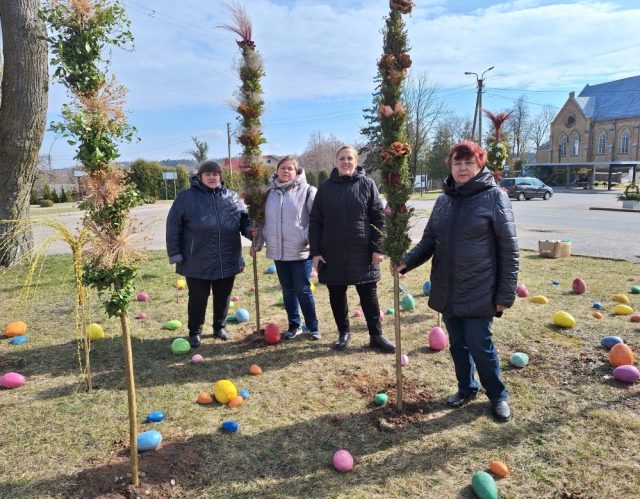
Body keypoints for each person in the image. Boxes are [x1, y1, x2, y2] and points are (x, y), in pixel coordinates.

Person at [391, 140, 519, 422]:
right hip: (448, 289)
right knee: (458, 345)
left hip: (479, 289)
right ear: (450, 167)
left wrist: (504, 294)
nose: (462, 168)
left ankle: (497, 395)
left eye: (468, 162)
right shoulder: (443, 201)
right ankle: (466, 388)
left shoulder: (495, 198)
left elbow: (509, 251)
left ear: (480, 165)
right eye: (457, 163)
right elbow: (429, 241)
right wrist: (407, 261)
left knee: (480, 345)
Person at [309, 145, 395, 353]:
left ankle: (376, 335)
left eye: (350, 158)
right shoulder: (325, 188)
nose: (346, 162)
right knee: (336, 294)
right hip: (332, 252)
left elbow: (379, 218)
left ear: (356, 162)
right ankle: (343, 333)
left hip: (363, 252)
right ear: (336, 162)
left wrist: (378, 248)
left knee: (369, 294)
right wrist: (316, 252)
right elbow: (315, 222)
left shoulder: (368, 184)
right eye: (342, 158)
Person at [166, 160, 252, 348]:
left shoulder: (232, 197)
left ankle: (219, 327)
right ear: (200, 177)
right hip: (197, 259)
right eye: (208, 174)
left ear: (220, 176)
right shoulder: (186, 198)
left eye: (215, 174)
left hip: (227, 257)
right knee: (198, 297)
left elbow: (244, 221)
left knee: (223, 296)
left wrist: (251, 231)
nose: (212, 177)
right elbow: (173, 227)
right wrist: (175, 253)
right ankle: (195, 331)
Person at [250, 156, 320, 340]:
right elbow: (260, 221)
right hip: (278, 252)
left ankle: (313, 326)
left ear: (297, 172)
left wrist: (306, 237)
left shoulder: (308, 191)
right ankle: (294, 325)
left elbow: (317, 218)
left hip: (300, 251)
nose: (286, 171)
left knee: (302, 289)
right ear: (277, 170)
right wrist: (257, 242)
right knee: (287, 291)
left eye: (290, 168)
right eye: (283, 168)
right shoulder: (268, 194)